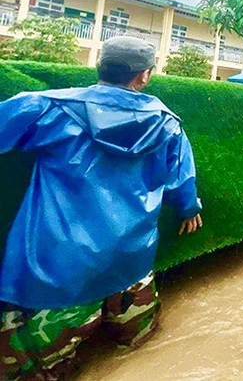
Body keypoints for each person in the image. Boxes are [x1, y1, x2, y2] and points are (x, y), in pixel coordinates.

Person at [0, 36, 202, 380]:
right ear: (143, 76)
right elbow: (180, 183)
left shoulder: (47, 107)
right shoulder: (167, 122)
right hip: (132, 267)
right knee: (141, 352)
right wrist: (188, 208)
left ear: (101, 65)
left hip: (58, 277)